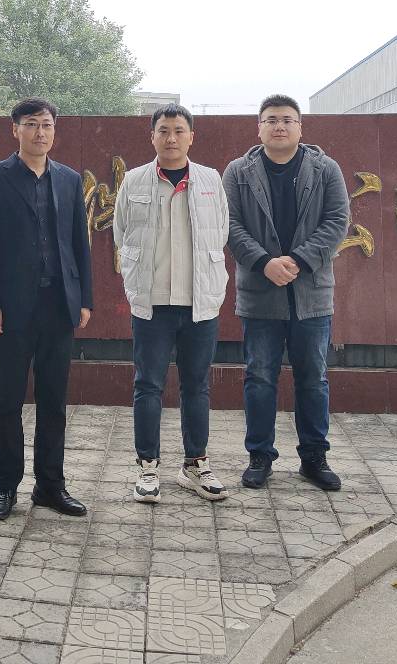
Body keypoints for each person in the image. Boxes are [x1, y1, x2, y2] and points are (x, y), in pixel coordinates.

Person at [0, 97, 93, 520]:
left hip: (58, 305)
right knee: (7, 400)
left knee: (54, 401)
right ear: (15, 130)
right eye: (31, 124)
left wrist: (84, 299)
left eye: (46, 125)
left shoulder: (69, 180)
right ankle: (6, 487)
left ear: (54, 130)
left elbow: (79, 244)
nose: (40, 132)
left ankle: (50, 486)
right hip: (10, 309)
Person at [223, 95, 350, 491]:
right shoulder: (238, 172)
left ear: (300, 127)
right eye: (271, 120)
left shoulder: (325, 169)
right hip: (260, 293)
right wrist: (264, 262)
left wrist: (298, 259)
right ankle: (260, 457)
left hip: (311, 293)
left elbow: (337, 221)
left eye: (287, 120)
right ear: (259, 127)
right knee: (259, 377)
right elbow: (229, 224)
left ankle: (314, 458)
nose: (279, 126)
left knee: (313, 378)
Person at [113, 104, 230, 503]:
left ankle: (195, 465)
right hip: (153, 303)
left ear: (191, 136)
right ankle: (148, 466)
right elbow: (121, 233)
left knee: (196, 385)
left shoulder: (211, 179)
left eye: (179, 130)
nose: (171, 138)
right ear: (152, 136)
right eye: (163, 130)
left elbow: (221, 231)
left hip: (199, 302)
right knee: (148, 385)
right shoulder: (134, 180)